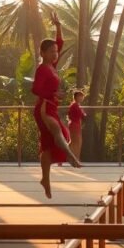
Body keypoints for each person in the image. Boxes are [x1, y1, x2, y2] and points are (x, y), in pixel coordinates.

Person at [32, 11, 81, 199]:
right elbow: (35, 89)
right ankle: (70, 156)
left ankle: (45, 179)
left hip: (51, 107)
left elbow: (59, 44)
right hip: (44, 108)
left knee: (47, 146)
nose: (55, 53)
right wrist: (52, 94)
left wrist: (58, 26)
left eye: (55, 52)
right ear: (42, 53)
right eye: (51, 51)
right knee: (57, 132)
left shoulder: (52, 65)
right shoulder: (43, 69)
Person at [67, 89, 86, 160]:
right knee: (77, 142)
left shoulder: (77, 105)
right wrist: (84, 115)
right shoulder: (75, 105)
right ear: (76, 97)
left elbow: (82, 114)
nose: (82, 98)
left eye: (82, 96)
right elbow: (81, 115)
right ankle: (76, 158)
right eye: (80, 96)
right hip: (74, 124)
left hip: (76, 124)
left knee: (74, 142)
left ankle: (73, 157)